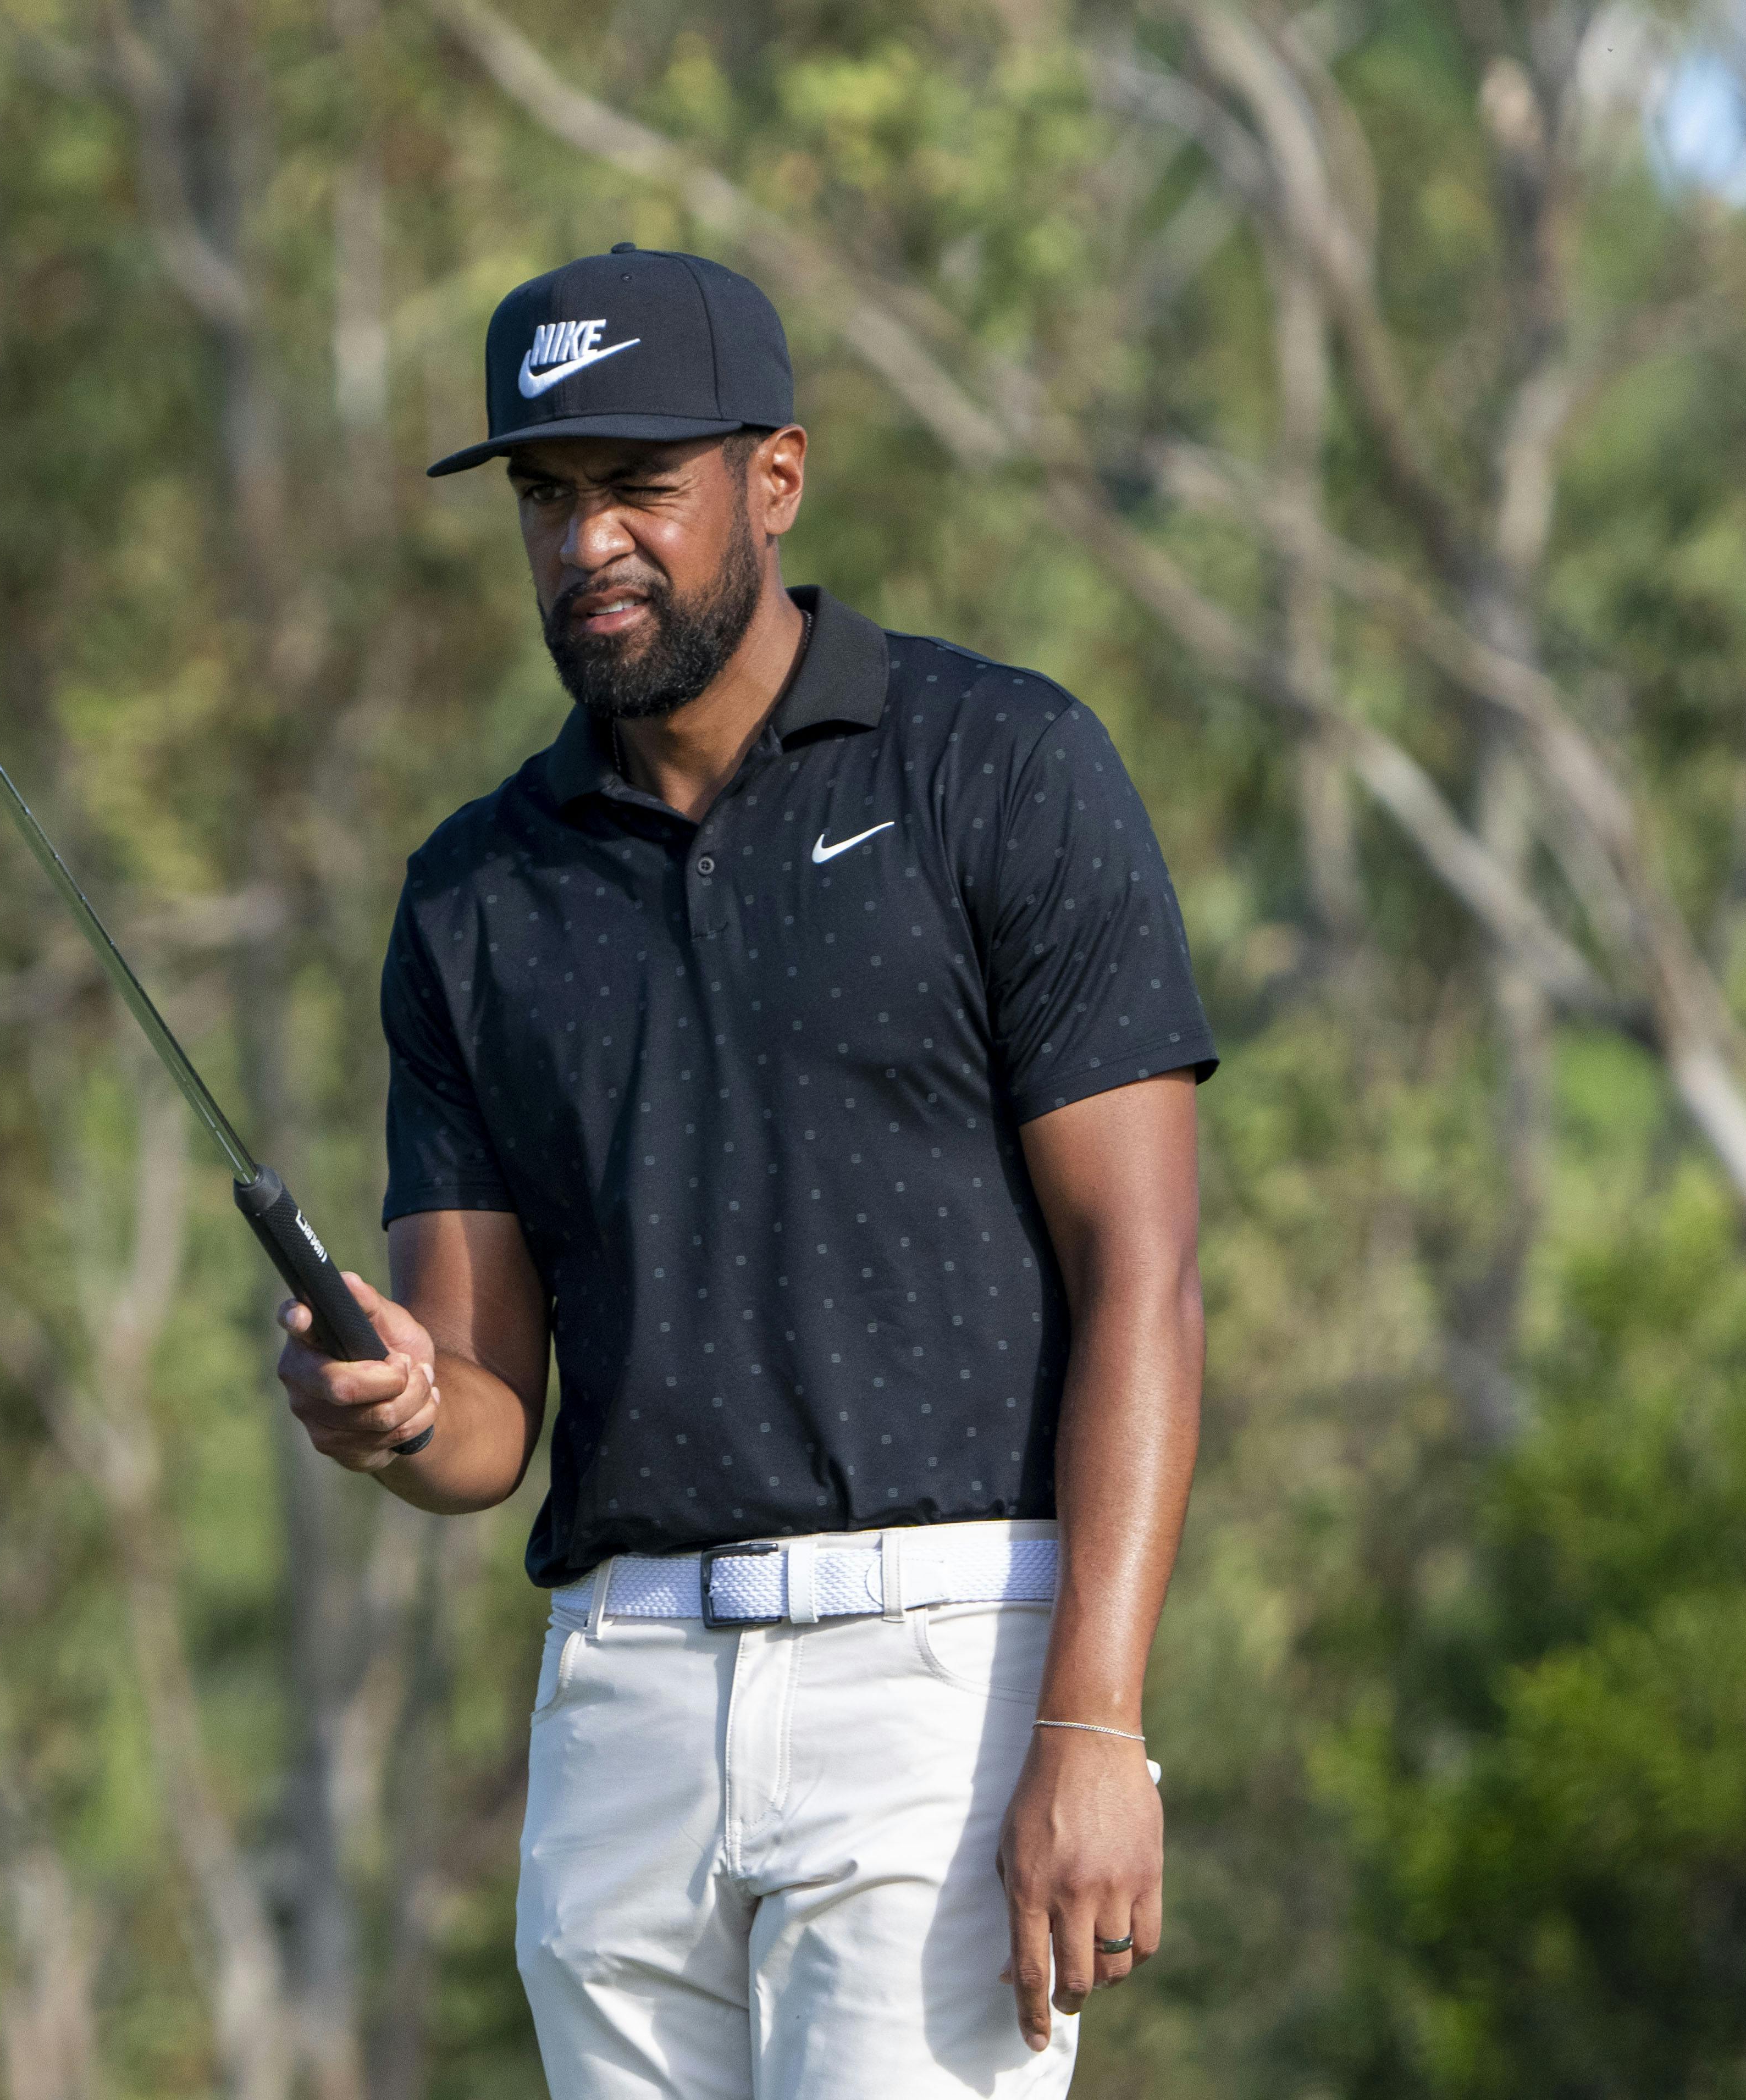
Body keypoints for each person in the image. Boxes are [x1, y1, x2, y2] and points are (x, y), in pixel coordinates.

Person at [273, 244, 1214, 2099]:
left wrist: (1094, 1722)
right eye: (548, 500)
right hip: (619, 1706)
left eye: (640, 489)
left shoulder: (994, 768)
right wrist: (385, 1402)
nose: (586, 545)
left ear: (771, 481)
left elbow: (1146, 1280)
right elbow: (482, 1430)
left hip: (936, 1680)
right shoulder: (474, 893)